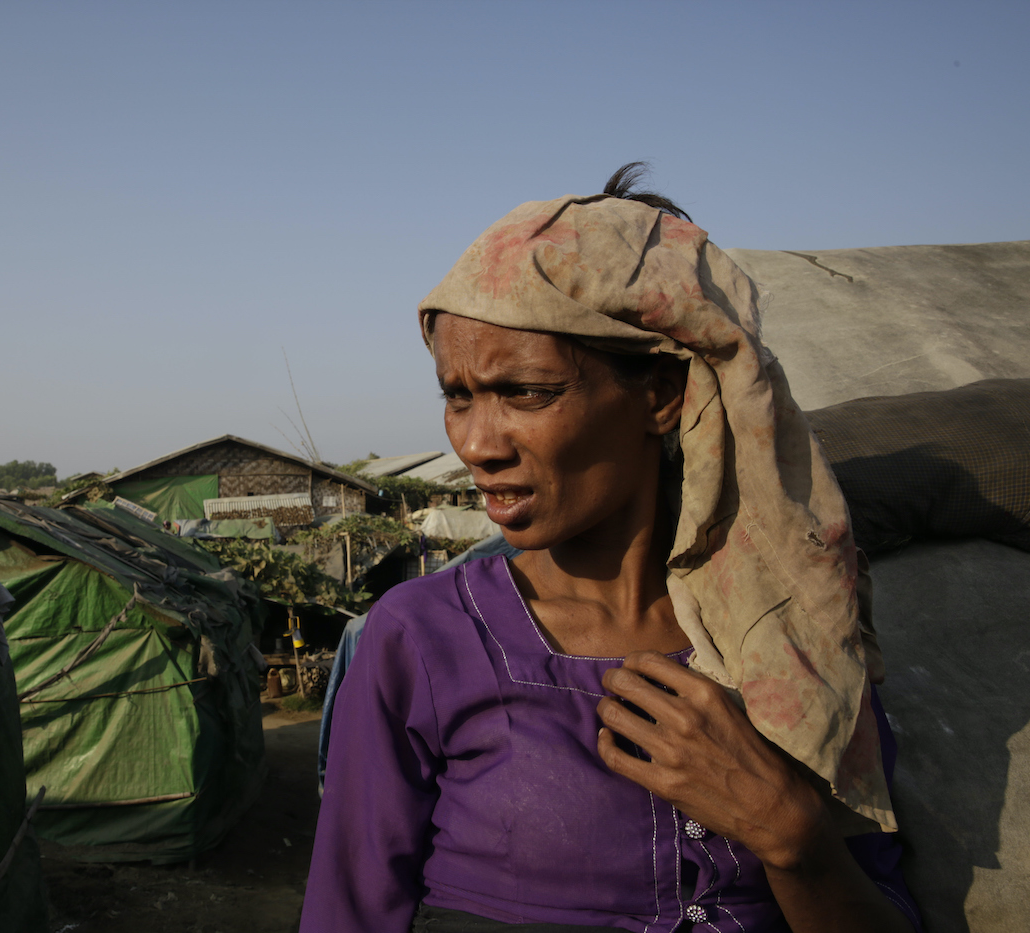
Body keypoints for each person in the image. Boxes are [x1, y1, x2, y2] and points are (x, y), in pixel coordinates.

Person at [301, 165, 922, 933]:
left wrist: (794, 837)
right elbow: (348, 913)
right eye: (457, 394)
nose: (475, 443)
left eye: (525, 391)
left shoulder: (796, 638)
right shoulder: (420, 639)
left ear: (660, 396)